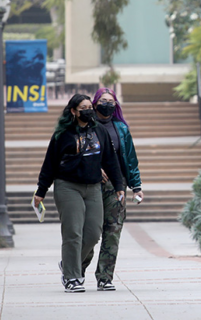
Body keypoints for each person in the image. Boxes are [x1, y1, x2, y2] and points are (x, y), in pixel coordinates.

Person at [33, 93, 124, 293]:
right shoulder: (63, 133)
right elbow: (50, 163)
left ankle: (67, 263)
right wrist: (41, 190)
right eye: (83, 108)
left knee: (93, 233)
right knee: (73, 232)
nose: (88, 111)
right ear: (73, 111)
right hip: (68, 186)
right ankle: (72, 277)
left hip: (93, 187)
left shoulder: (99, 130)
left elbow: (110, 160)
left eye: (89, 107)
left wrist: (119, 187)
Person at [80, 87, 144, 291]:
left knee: (113, 230)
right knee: (91, 230)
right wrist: (95, 168)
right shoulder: (86, 126)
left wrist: (136, 185)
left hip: (117, 185)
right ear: (96, 102)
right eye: (103, 100)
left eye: (111, 101)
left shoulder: (121, 129)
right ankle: (75, 270)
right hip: (91, 184)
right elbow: (79, 153)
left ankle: (105, 277)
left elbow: (131, 159)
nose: (107, 104)